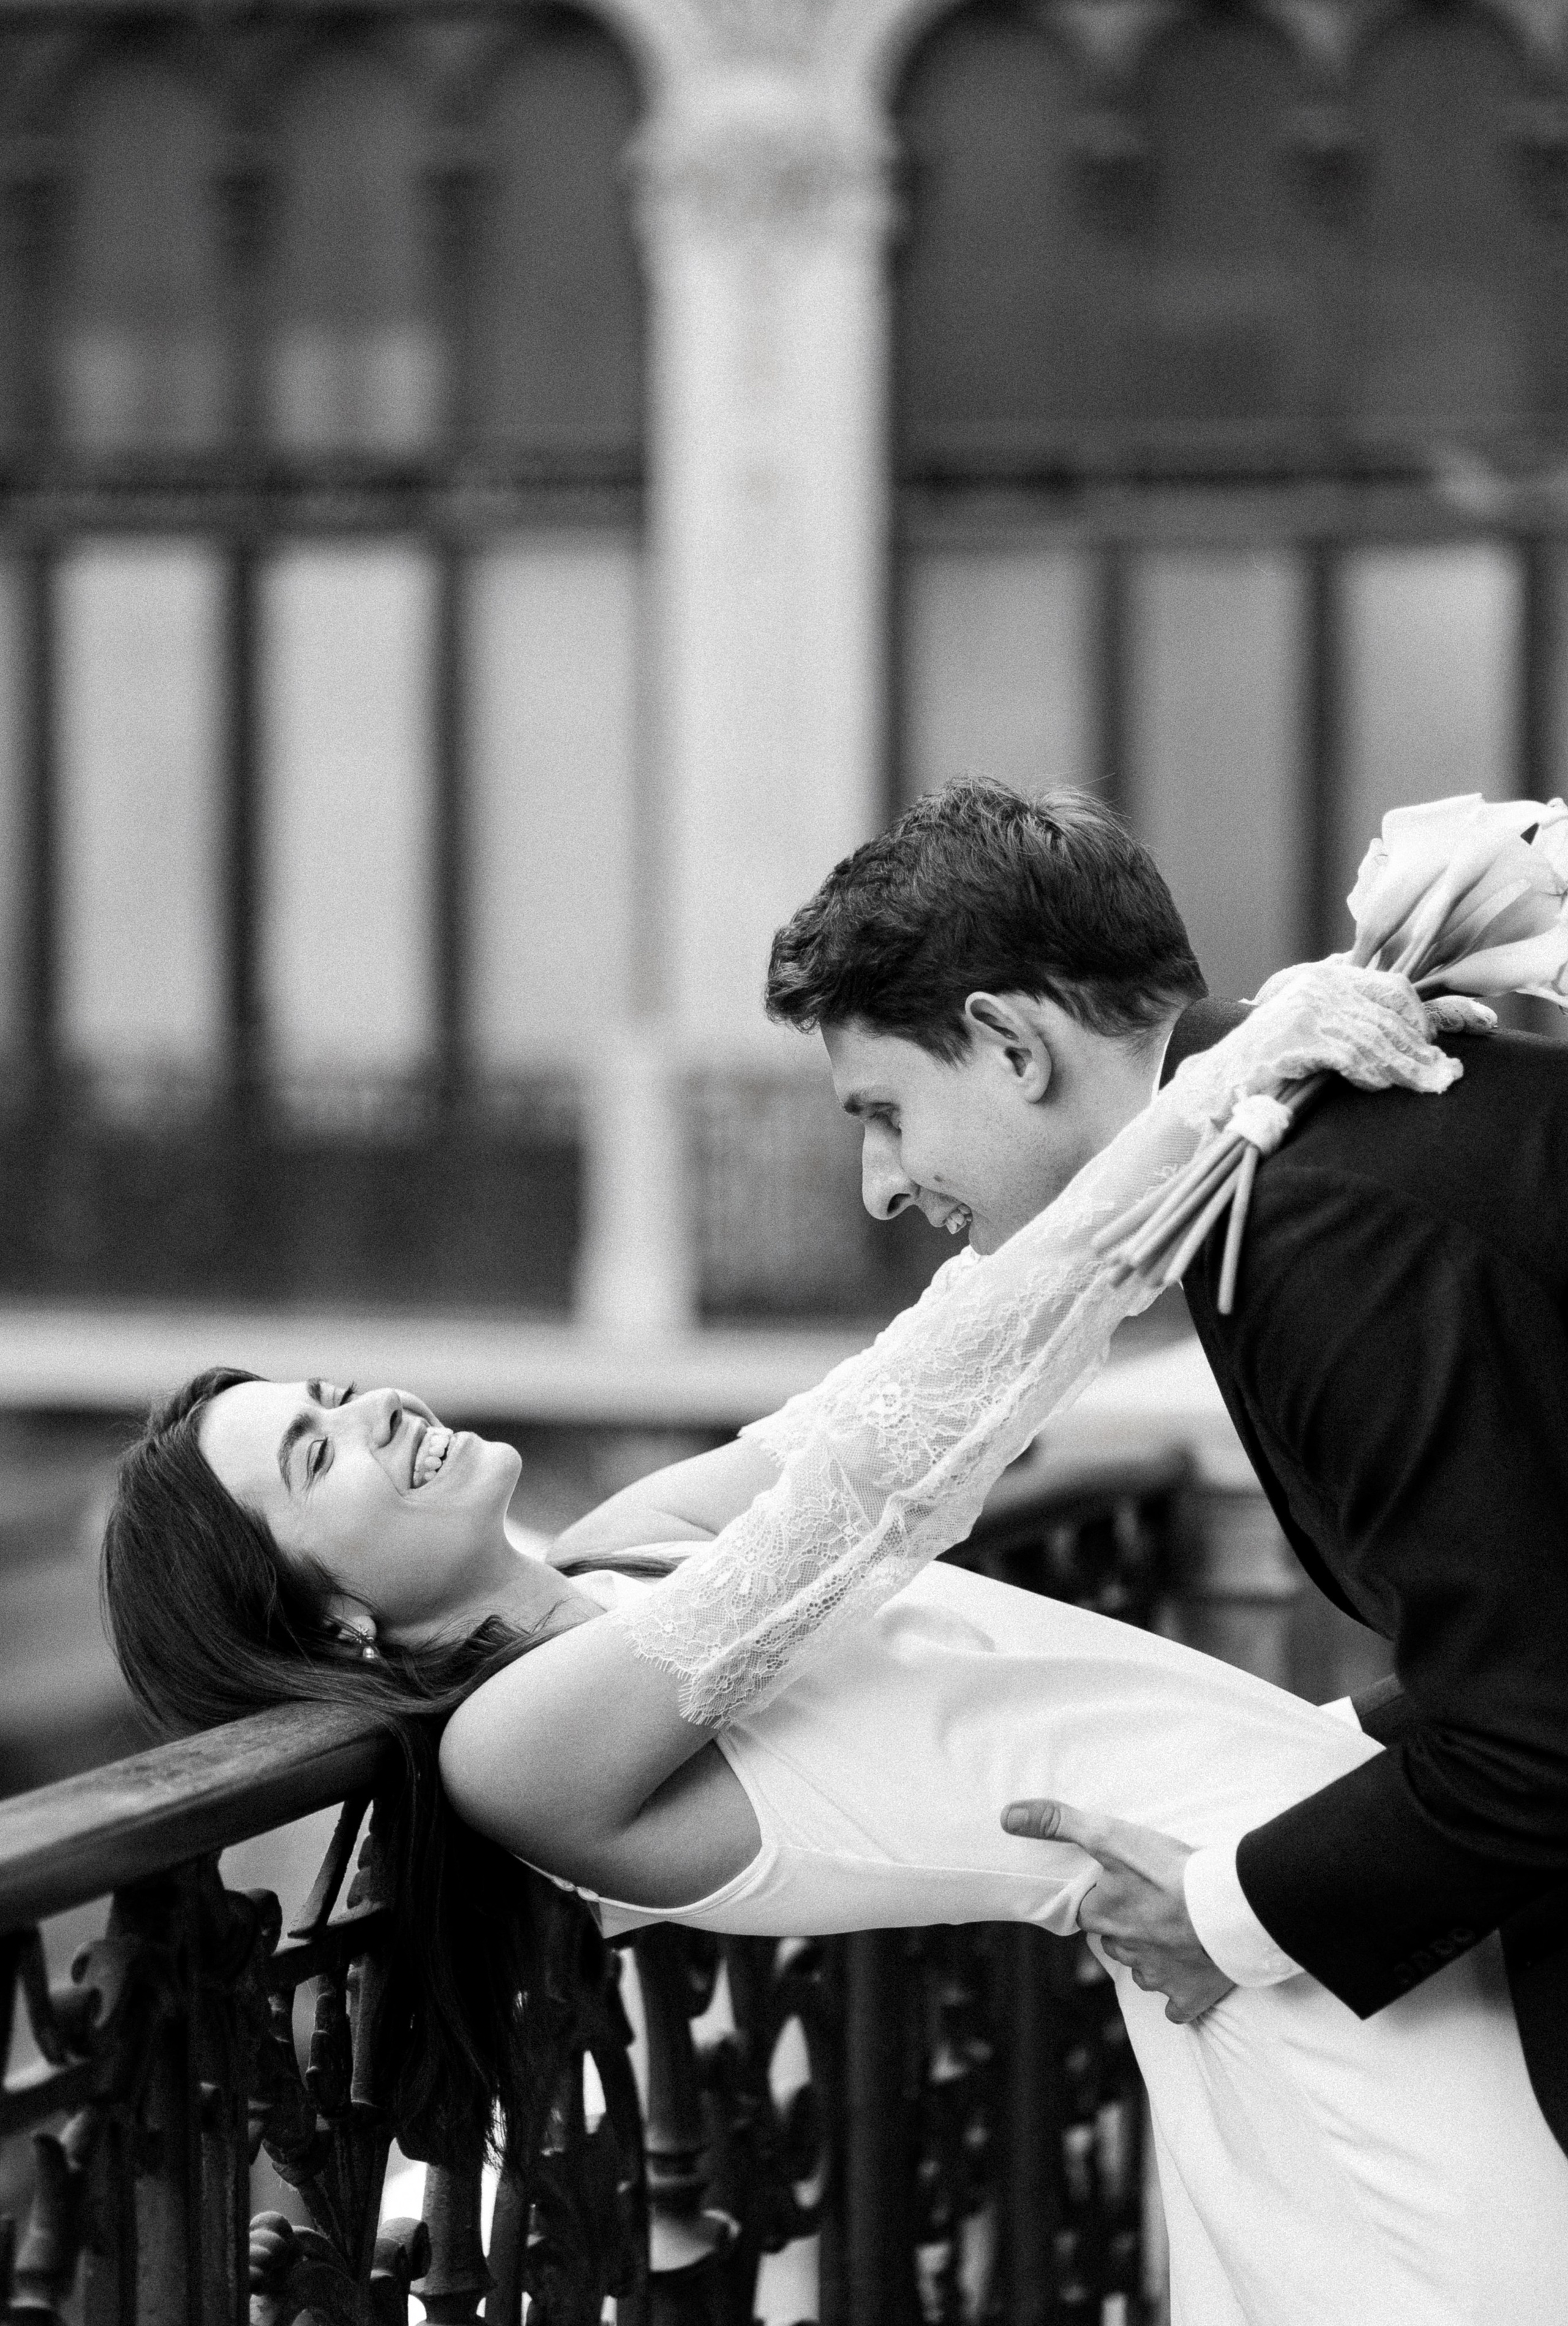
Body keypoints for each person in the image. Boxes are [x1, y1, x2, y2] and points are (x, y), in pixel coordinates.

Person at [102, 959, 1567, 2326]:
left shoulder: (624, 1547)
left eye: (336, 1390)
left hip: (1323, 1910)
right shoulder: (512, 1752)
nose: (369, 1413)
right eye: (315, 1456)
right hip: (1307, 2007)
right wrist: (1213, 1091)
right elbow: (882, 1479)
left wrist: (1239, 1081)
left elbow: (948, 1358)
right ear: (333, 1624)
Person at [751, 777, 1568, 2171]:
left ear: (1009, 1044)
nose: (883, 1184)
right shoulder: (1315, 1153)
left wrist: (1221, 1914)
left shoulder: (1316, 1221)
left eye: (880, 1111)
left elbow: (1538, 1736)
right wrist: (1335, 1748)